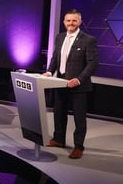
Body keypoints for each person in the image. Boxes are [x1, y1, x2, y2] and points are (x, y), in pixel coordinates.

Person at [42, 9, 98, 159]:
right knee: (59, 113)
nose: (71, 23)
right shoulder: (60, 37)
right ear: (64, 22)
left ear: (80, 22)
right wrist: (49, 72)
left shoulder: (88, 39)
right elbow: (55, 58)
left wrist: (79, 79)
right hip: (60, 83)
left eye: (74, 20)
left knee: (79, 118)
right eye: (68, 20)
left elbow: (92, 64)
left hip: (79, 86)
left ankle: (79, 146)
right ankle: (58, 139)